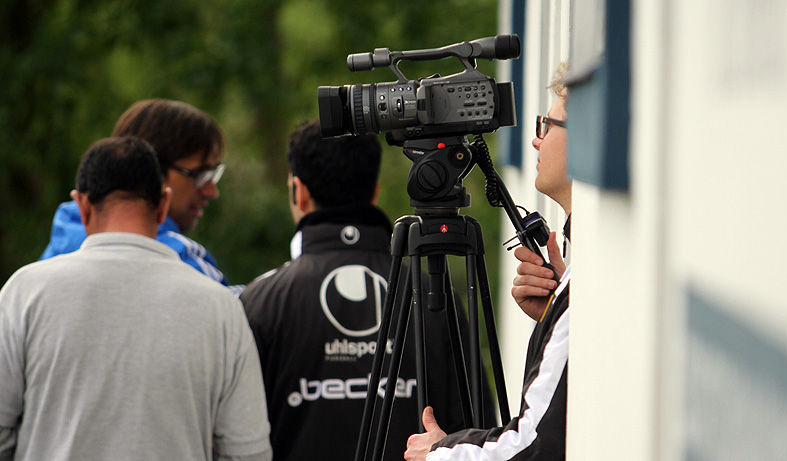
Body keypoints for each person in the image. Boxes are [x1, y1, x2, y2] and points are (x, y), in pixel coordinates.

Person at [0, 137, 272, 461]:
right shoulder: (220, 307)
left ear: (82, 205)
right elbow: (247, 451)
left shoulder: (24, 293)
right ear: (164, 204)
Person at [240, 119, 494, 460]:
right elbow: (480, 435)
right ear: (374, 191)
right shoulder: (434, 295)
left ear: (299, 192)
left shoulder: (258, 302)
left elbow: (235, 437)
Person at [404, 63, 572, 460]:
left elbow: (531, 446)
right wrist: (554, 309)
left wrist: (439, 452)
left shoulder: (582, 294)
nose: (536, 141)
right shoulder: (577, 285)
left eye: (548, 126)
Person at [39, 99, 241, 294]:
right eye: (201, 175)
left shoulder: (46, 264)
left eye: (214, 174)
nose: (211, 191)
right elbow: (233, 309)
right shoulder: (179, 259)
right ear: (152, 173)